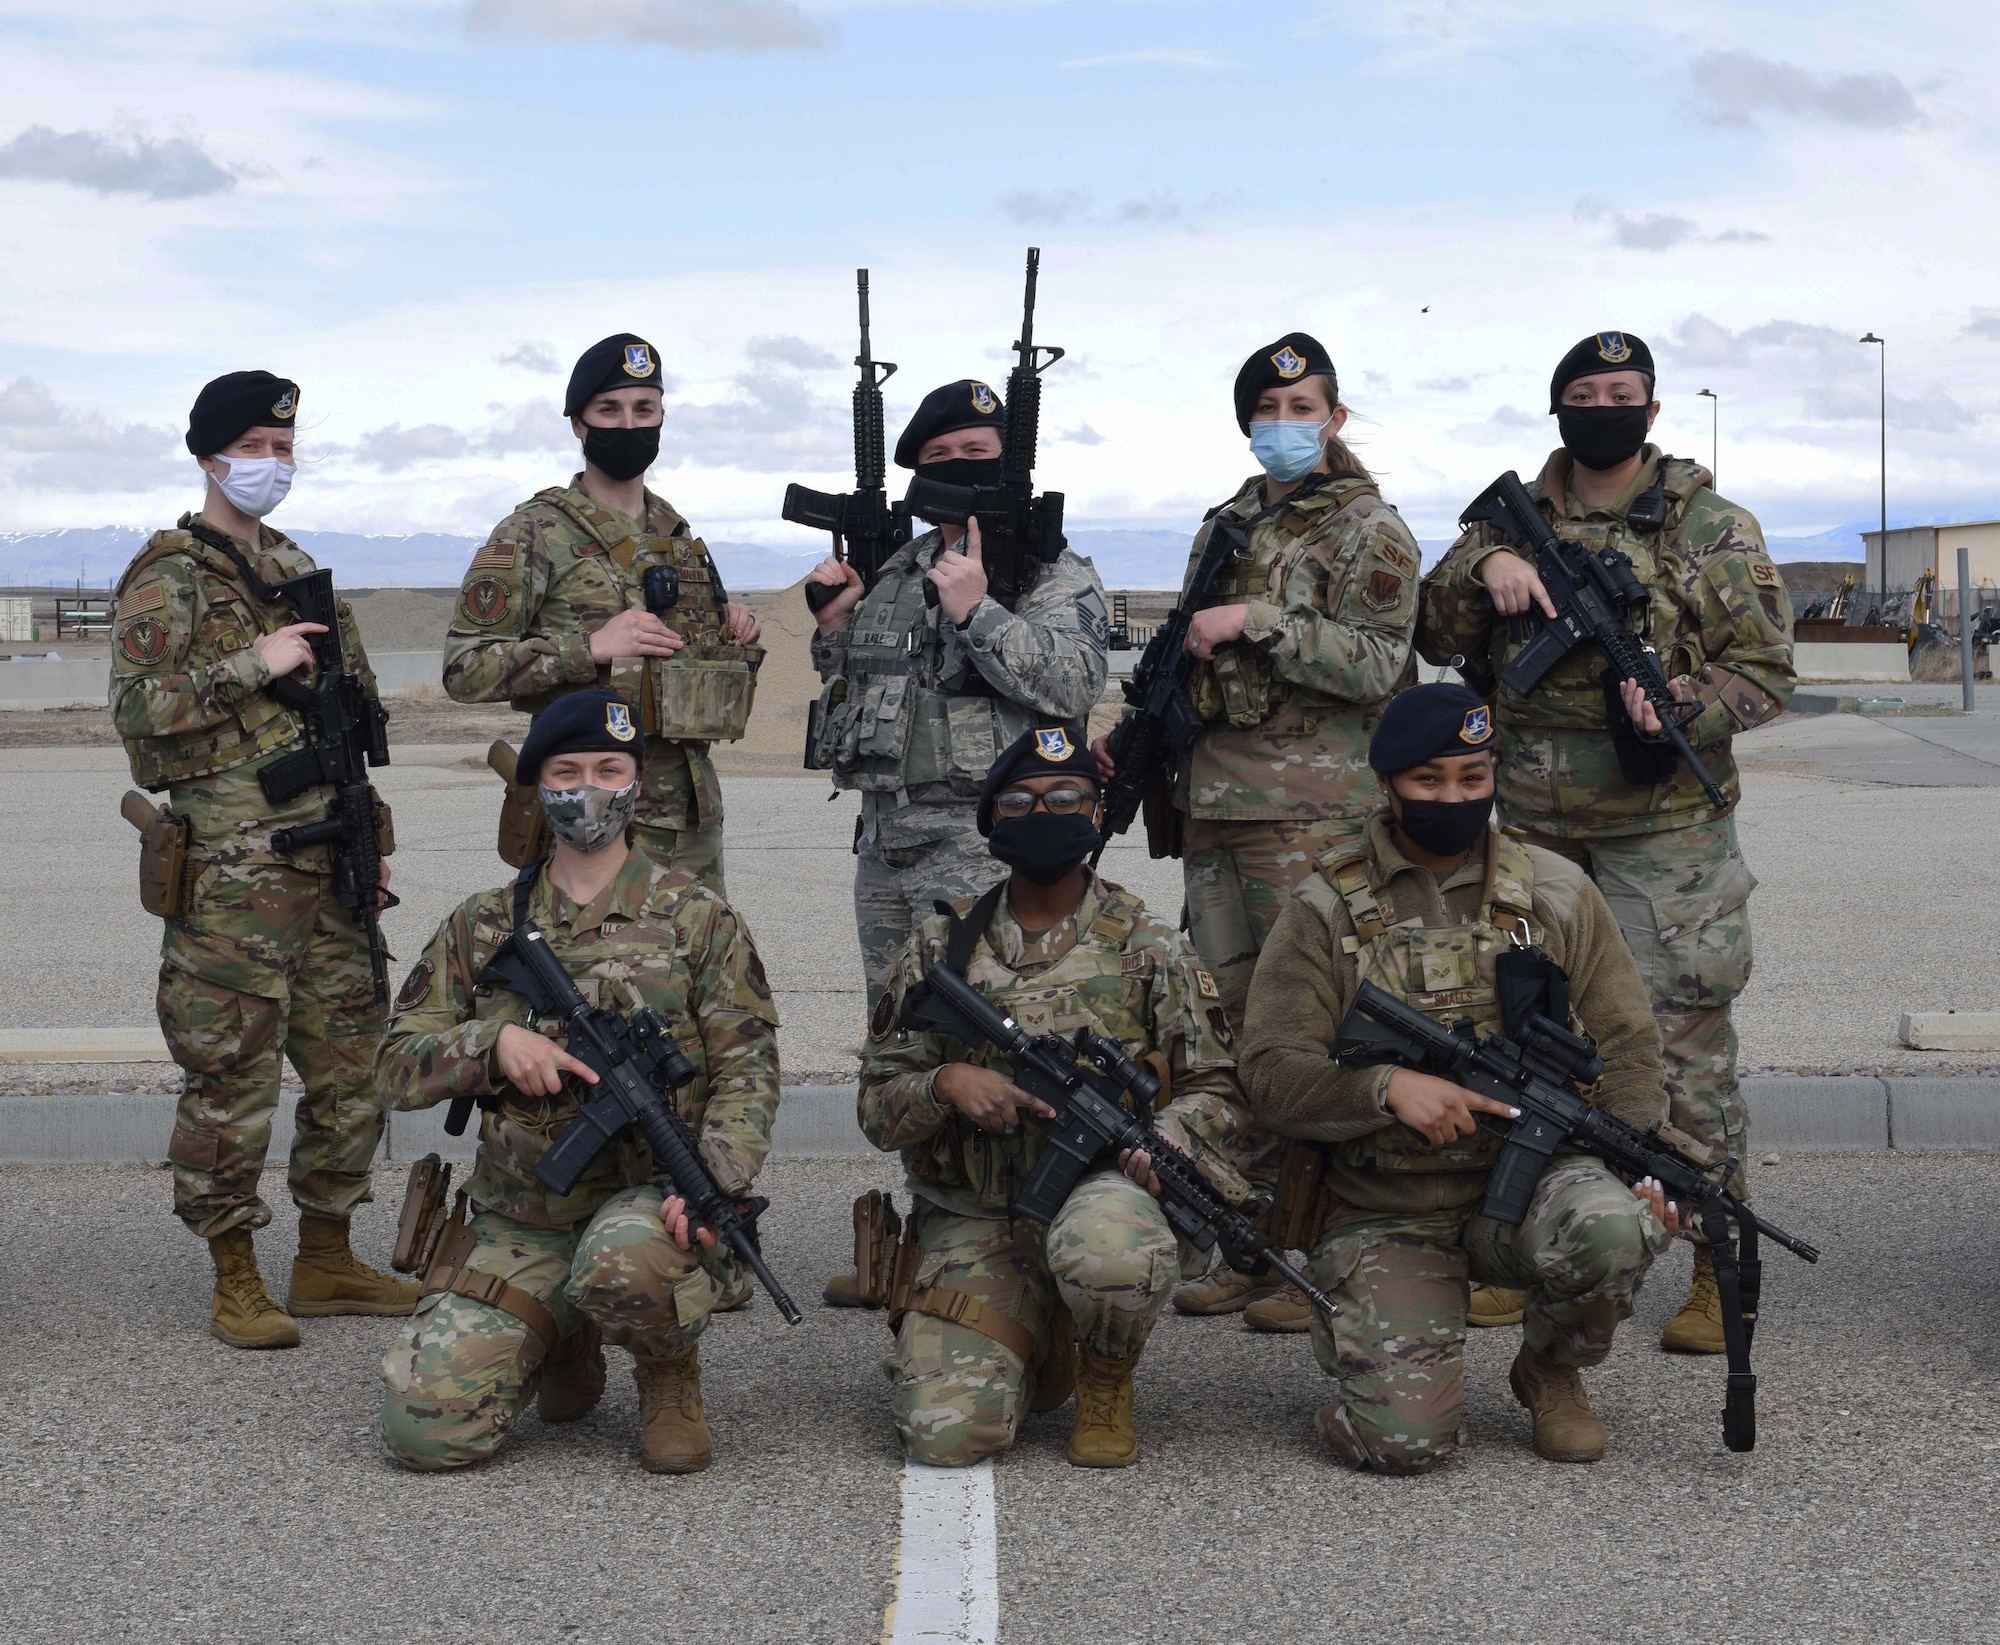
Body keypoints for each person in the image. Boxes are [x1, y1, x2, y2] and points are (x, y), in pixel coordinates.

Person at [1416, 331, 1793, 1351]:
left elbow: (1764, 668)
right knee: (1530, 1041)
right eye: (1583, 393)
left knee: (1678, 1051)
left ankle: (1718, 1257)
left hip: (1663, 838)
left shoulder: (1707, 528)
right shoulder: (1504, 522)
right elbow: (1433, 631)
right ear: (1557, 411)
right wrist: (1488, 562)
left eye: (1621, 393)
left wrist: (1677, 703)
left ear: (1651, 412)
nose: (1602, 406)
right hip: (1531, 834)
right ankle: (1521, 1244)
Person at [1237, 682, 1684, 1471]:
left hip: (1525, 1190)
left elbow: (1628, 1045)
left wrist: (1633, 1161)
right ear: (1387, 785)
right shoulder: (1324, 907)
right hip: (1386, 1207)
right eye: (1430, 780)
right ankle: (1366, 1365)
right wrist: (1383, 1089)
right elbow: (1271, 1073)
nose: (1454, 796)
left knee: (1616, 1226)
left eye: (1473, 779)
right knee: (1405, 1443)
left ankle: (1550, 1368)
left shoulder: (1554, 890)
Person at [1093, 331, 1421, 1331]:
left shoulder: (1369, 529)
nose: (1284, 426)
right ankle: (1252, 1236)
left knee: (1309, 1034)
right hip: (1217, 810)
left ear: (1335, 414)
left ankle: (1322, 1259)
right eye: (1267, 413)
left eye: (1302, 408)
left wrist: (1259, 623)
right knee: (1227, 1032)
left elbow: (1376, 662)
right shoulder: (1229, 518)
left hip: (1312, 816)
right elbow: (1183, 651)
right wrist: (1129, 737)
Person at [374, 691, 782, 1474]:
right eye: (566, 770)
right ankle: (562, 1332)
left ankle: (667, 1370)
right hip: (521, 1220)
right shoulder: (483, 922)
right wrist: (493, 1044)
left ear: (636, 784)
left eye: (608, 768)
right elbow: (392, 1064)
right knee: (427, 1430)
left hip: (645, 1209)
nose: (587, 787)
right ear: (539, 785)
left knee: (624, 1257)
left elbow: (748, 1069)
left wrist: (717, 1177)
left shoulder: (697, 918)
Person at [110, 370, 417, 1350]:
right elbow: (139, 721)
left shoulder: (296, 566)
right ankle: (234, 1270)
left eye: (284, 449)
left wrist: (368, 839)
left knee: (354, 1064)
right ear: (209, 457)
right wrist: (256, 662)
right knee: (230, 1077)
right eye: (254, 447)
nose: (271, 464)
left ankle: (326, 1256)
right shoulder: (169, 575)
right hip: (234, 884)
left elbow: (349, 724)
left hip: (328, 865)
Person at [859, 724, 1254, 1469]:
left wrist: (1170, 1133)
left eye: (1067, 797)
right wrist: (946, 1083)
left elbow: (1218, 1087)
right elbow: (877, 1105)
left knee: (1113, 1250)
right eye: (1022, 802)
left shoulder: (1149, 945)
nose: (1046, 814)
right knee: (945, 1435)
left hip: (1104, 1196)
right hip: (973, 1216)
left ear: (1098, 813)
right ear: (993, 822)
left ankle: (1106, 1371)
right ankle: (1031, 1328)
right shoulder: (940, 947)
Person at [807, 380, 1110, 1306]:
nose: (963, 476)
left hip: (988, 849)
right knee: (906, 1049)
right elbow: (869, 689)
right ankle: (933, 1235)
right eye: (946, 462)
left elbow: (1070, 687)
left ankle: (1020, 1246)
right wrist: (833, 631)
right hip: (887, 844)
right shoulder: (900, 564)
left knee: (1003, 1044)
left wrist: (980, 611)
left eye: (984, 458)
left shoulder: (1051, 570)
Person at [442, 334, 763, 894]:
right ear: (578, 424)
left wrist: (727, 634)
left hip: (688, 814)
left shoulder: (676, 532)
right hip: (592, 818)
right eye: (609, 409)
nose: (629, 424)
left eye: (645, 409)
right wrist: (586, 649)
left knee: (695, 969)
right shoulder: (533, 531)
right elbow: (464, 669)